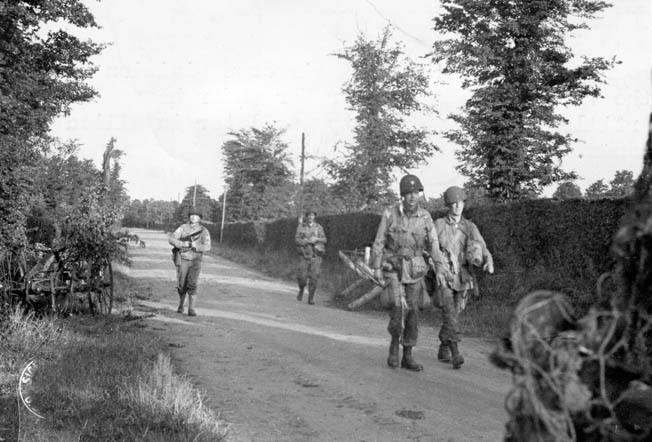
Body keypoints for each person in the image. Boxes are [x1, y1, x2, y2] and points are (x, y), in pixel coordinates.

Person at [370, 174, 448, 371]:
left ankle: (408, 354)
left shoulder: (425, 217)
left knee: (412, 312)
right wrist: (377, 267)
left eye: (416, 193)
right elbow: (379, 241)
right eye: (408, 193)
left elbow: (434, 245)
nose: (413, 197)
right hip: (393, 267)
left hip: (414, 269)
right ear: (402, 195)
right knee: (397, 310)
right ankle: (394, 346)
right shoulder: (390, 214)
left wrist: (439, 269)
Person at [432, 186, 494, 369]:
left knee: (455, 314)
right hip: (444, 276)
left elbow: (482, 247)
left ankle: (443, 346)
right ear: (448, 205)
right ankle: (455, 352)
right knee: (450, 313)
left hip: (463, 278)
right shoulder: (439, 225)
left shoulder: (470, 226)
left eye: (460, 203)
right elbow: (430, 247)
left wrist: (488, 261)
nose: (457, 206)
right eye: (453, 203)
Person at [168, 207, 212, 316]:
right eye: (191, 215)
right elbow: (171, 239)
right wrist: (182, 244)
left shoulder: (204, 231)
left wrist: (195, 245)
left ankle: (191, 309)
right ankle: (181, 304)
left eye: (196, 215)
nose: (193, 217)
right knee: (181, 284)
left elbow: (207, 246)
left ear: (199, 218)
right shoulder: (182, 228)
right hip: (183, 259)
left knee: (192, 283)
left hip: (195, 260)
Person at [294, 208, 327, 305]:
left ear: (315, 217)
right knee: (301, 277)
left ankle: (311, 297)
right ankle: (301, 289)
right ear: (306, 216)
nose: (310, 217)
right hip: (304, 255)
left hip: (316, 255)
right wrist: (307, 241)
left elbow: (325, 240)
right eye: (309, 215)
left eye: (312, 215)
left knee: (314, 277)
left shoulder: (319, 227)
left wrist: (316, 239)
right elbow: (296, 240)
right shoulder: (301, 227)